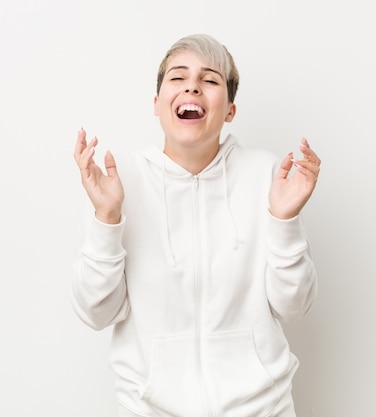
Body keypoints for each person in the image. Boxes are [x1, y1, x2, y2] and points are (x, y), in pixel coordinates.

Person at [72, 33, 321, 417]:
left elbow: (294, 306)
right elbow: (95, 312)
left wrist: (284, 221)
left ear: (230, 109)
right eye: (178, 77)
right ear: (156, 104)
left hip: (261, 409)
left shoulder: (266, 175)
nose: (193, 85)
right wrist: (107, 218)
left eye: (210, 79)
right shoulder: (121, 181)